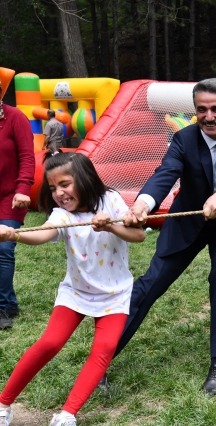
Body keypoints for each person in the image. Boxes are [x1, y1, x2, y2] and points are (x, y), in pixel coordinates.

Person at [111, 78, 216, 396]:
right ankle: (102, 358)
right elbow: (164, 174)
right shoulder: (183, 139)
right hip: (188, 222)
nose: (208, 116)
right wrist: (142, 203)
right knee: (149, 285)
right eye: (201, 109)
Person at [0, 152, 145, 426]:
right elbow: (43, 233)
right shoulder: (61, 214)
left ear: (85, 178)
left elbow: (138, 235)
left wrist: (112, 227)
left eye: (65, 184)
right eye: (53, 188)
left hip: (115, 294)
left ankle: (67, 415)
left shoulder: (111, 200)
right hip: (76, 291)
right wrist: (13, 234)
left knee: (104, 349)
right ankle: (3, 405)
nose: (59, 193)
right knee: (50, 343)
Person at [0, 78, 35, 330]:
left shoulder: (15, 118)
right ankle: (8, 302)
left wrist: (23, 188)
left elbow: (27, 156)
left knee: (3, 249)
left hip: (10, 195)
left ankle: (4, 307)